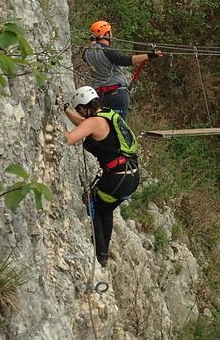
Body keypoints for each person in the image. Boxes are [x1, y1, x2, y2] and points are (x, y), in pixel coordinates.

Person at [64, 86, 140, 267]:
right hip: (131, 176)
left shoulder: (93, 122)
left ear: (83, 107)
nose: (79, 113)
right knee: (106, 209)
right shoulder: (107, 115)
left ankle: (100, 254)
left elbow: (70, 138)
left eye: (78, 109)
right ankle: (103, 253)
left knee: (96, 206)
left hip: (116, 178)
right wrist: (66, 110)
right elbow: (84, 124)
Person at [84, 20, 163, 119]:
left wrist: (93, 38)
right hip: (116, 94)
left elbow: (92, 47)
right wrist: (149, 55)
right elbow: (125, 60)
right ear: (107, 34)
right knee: (119, 126)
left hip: (99, 96)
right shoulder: (108, 51)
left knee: (104, 127)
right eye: (110, 32)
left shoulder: (86, 53)